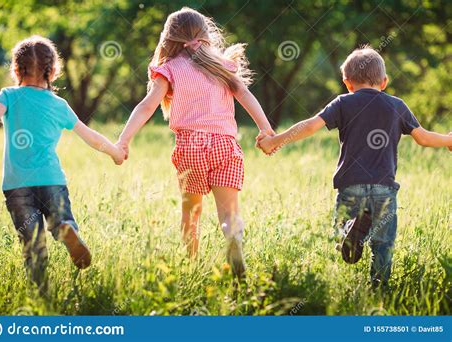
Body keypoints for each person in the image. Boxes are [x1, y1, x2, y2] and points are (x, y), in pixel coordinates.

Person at [257, 46, 452, 287]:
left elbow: (309, 126)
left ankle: (350, 229)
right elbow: (423, 137)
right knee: (383, 245)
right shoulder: (397, 105)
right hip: (384, 188)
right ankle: (379, 289)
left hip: (351, 185)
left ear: (347, 83)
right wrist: (449, 140)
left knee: (342, 237)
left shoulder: (343, 103)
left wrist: (275, 140)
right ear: (384, 82)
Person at [116, 7, 274, 278]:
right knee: (228, 215)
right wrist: (266, 129)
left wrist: (123, 140)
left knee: (192, 214)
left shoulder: (169, 69)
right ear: (205, 34)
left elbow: (146, 106)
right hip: (225, 145)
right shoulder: (221, 65)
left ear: (168, 40)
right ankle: (233, 239)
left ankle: (192, 268)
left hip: (191, 148)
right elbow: (245, 95)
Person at [0, 36, 125, 288]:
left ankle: (41, 294)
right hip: (51, 180)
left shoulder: (9, 96)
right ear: (53, 70)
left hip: (17, 186)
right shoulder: (59, 105)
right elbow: (90, 137)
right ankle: (64, 228)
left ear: (15, 68)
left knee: (33, 245)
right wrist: (115, 152)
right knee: (61, 220)